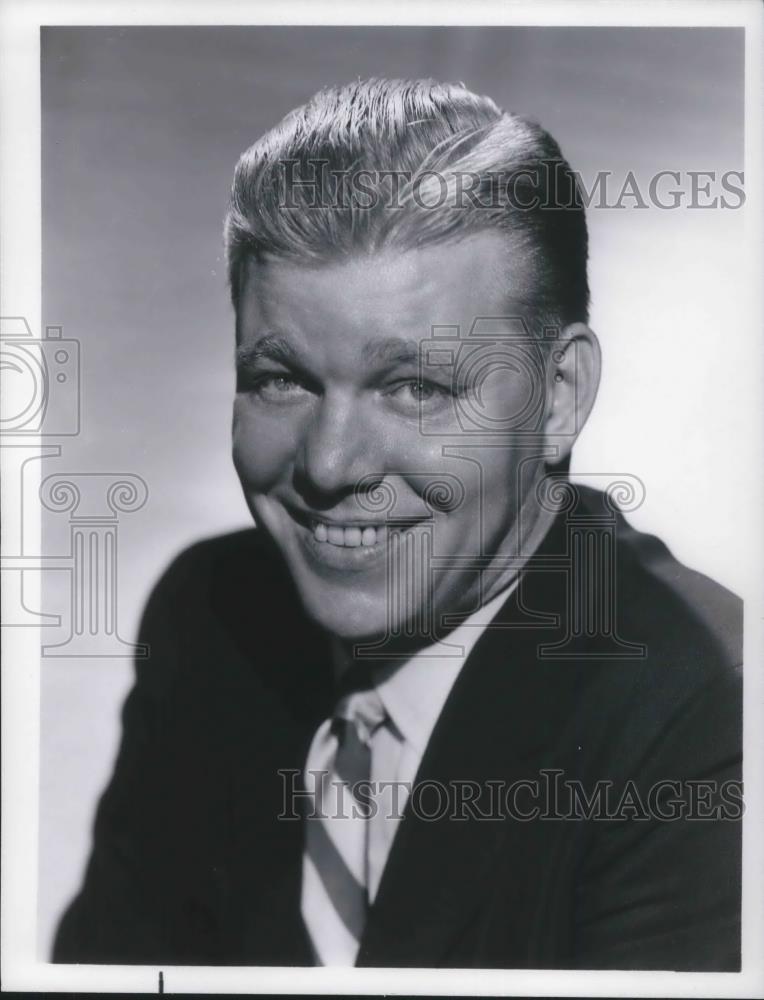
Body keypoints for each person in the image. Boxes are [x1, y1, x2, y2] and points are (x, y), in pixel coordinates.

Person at [54, 78, 742, 970]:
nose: (331, 467)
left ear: (559, 396)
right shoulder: (208, 613)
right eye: (281, 380)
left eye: (415, 387)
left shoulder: (711, 713)